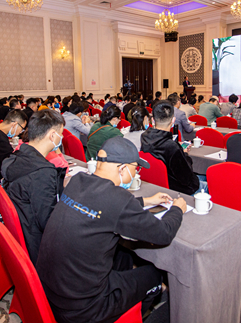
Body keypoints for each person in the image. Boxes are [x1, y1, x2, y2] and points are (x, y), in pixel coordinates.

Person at [37, 137, 185, 323]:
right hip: (85, 308)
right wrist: (177, 209)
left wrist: (147, 201)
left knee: (124, 256)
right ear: (122, 169)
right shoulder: (117, 198)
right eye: (135, 169)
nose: (136, 174)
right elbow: (163, 233)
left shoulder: (77, 181)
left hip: (52, 291)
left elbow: (106, 206)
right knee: (154, 275)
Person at [0, 109, 67, 265]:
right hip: (36, 246)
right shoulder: (42, 172)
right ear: (52, 135)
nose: (62, 138)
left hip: (20, 233)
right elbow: (48, 222)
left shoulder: (15, 157)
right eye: (61, 134)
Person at [141, 101, 203, 195]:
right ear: (173, 120)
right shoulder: (172, 147)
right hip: (177, 189)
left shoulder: (144, 138)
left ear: (153, 120)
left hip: (155, 185)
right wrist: (185, 154)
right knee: (209, 182)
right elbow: (186, 180)